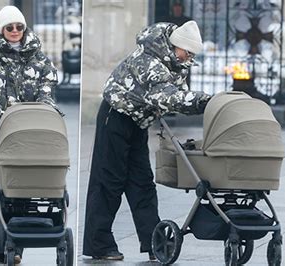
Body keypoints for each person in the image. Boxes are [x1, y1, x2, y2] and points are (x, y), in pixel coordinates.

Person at [83, 21, 211, 261]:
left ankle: (154, 241)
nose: (189, 57)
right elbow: (169, 98)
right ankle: (98, 243)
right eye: (188, 52)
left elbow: (178, 95)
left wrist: (199, 100)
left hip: (138, 121)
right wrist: (207, 101)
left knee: (142, 182)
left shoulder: (175, 62)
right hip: (116, 116)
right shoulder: (151, 60)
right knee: (109, 180)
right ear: (176, 46)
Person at [0, 5, 60, 264]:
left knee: (31, 181)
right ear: (2, 29)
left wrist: (41, 107)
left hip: (33, 132)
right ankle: (2, 241)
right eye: (10, 27)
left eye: (19, 26)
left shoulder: (39, 59)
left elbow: (49, 86)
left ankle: (20, 239)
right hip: (0, 134)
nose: (15, 31)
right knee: (4, 186)